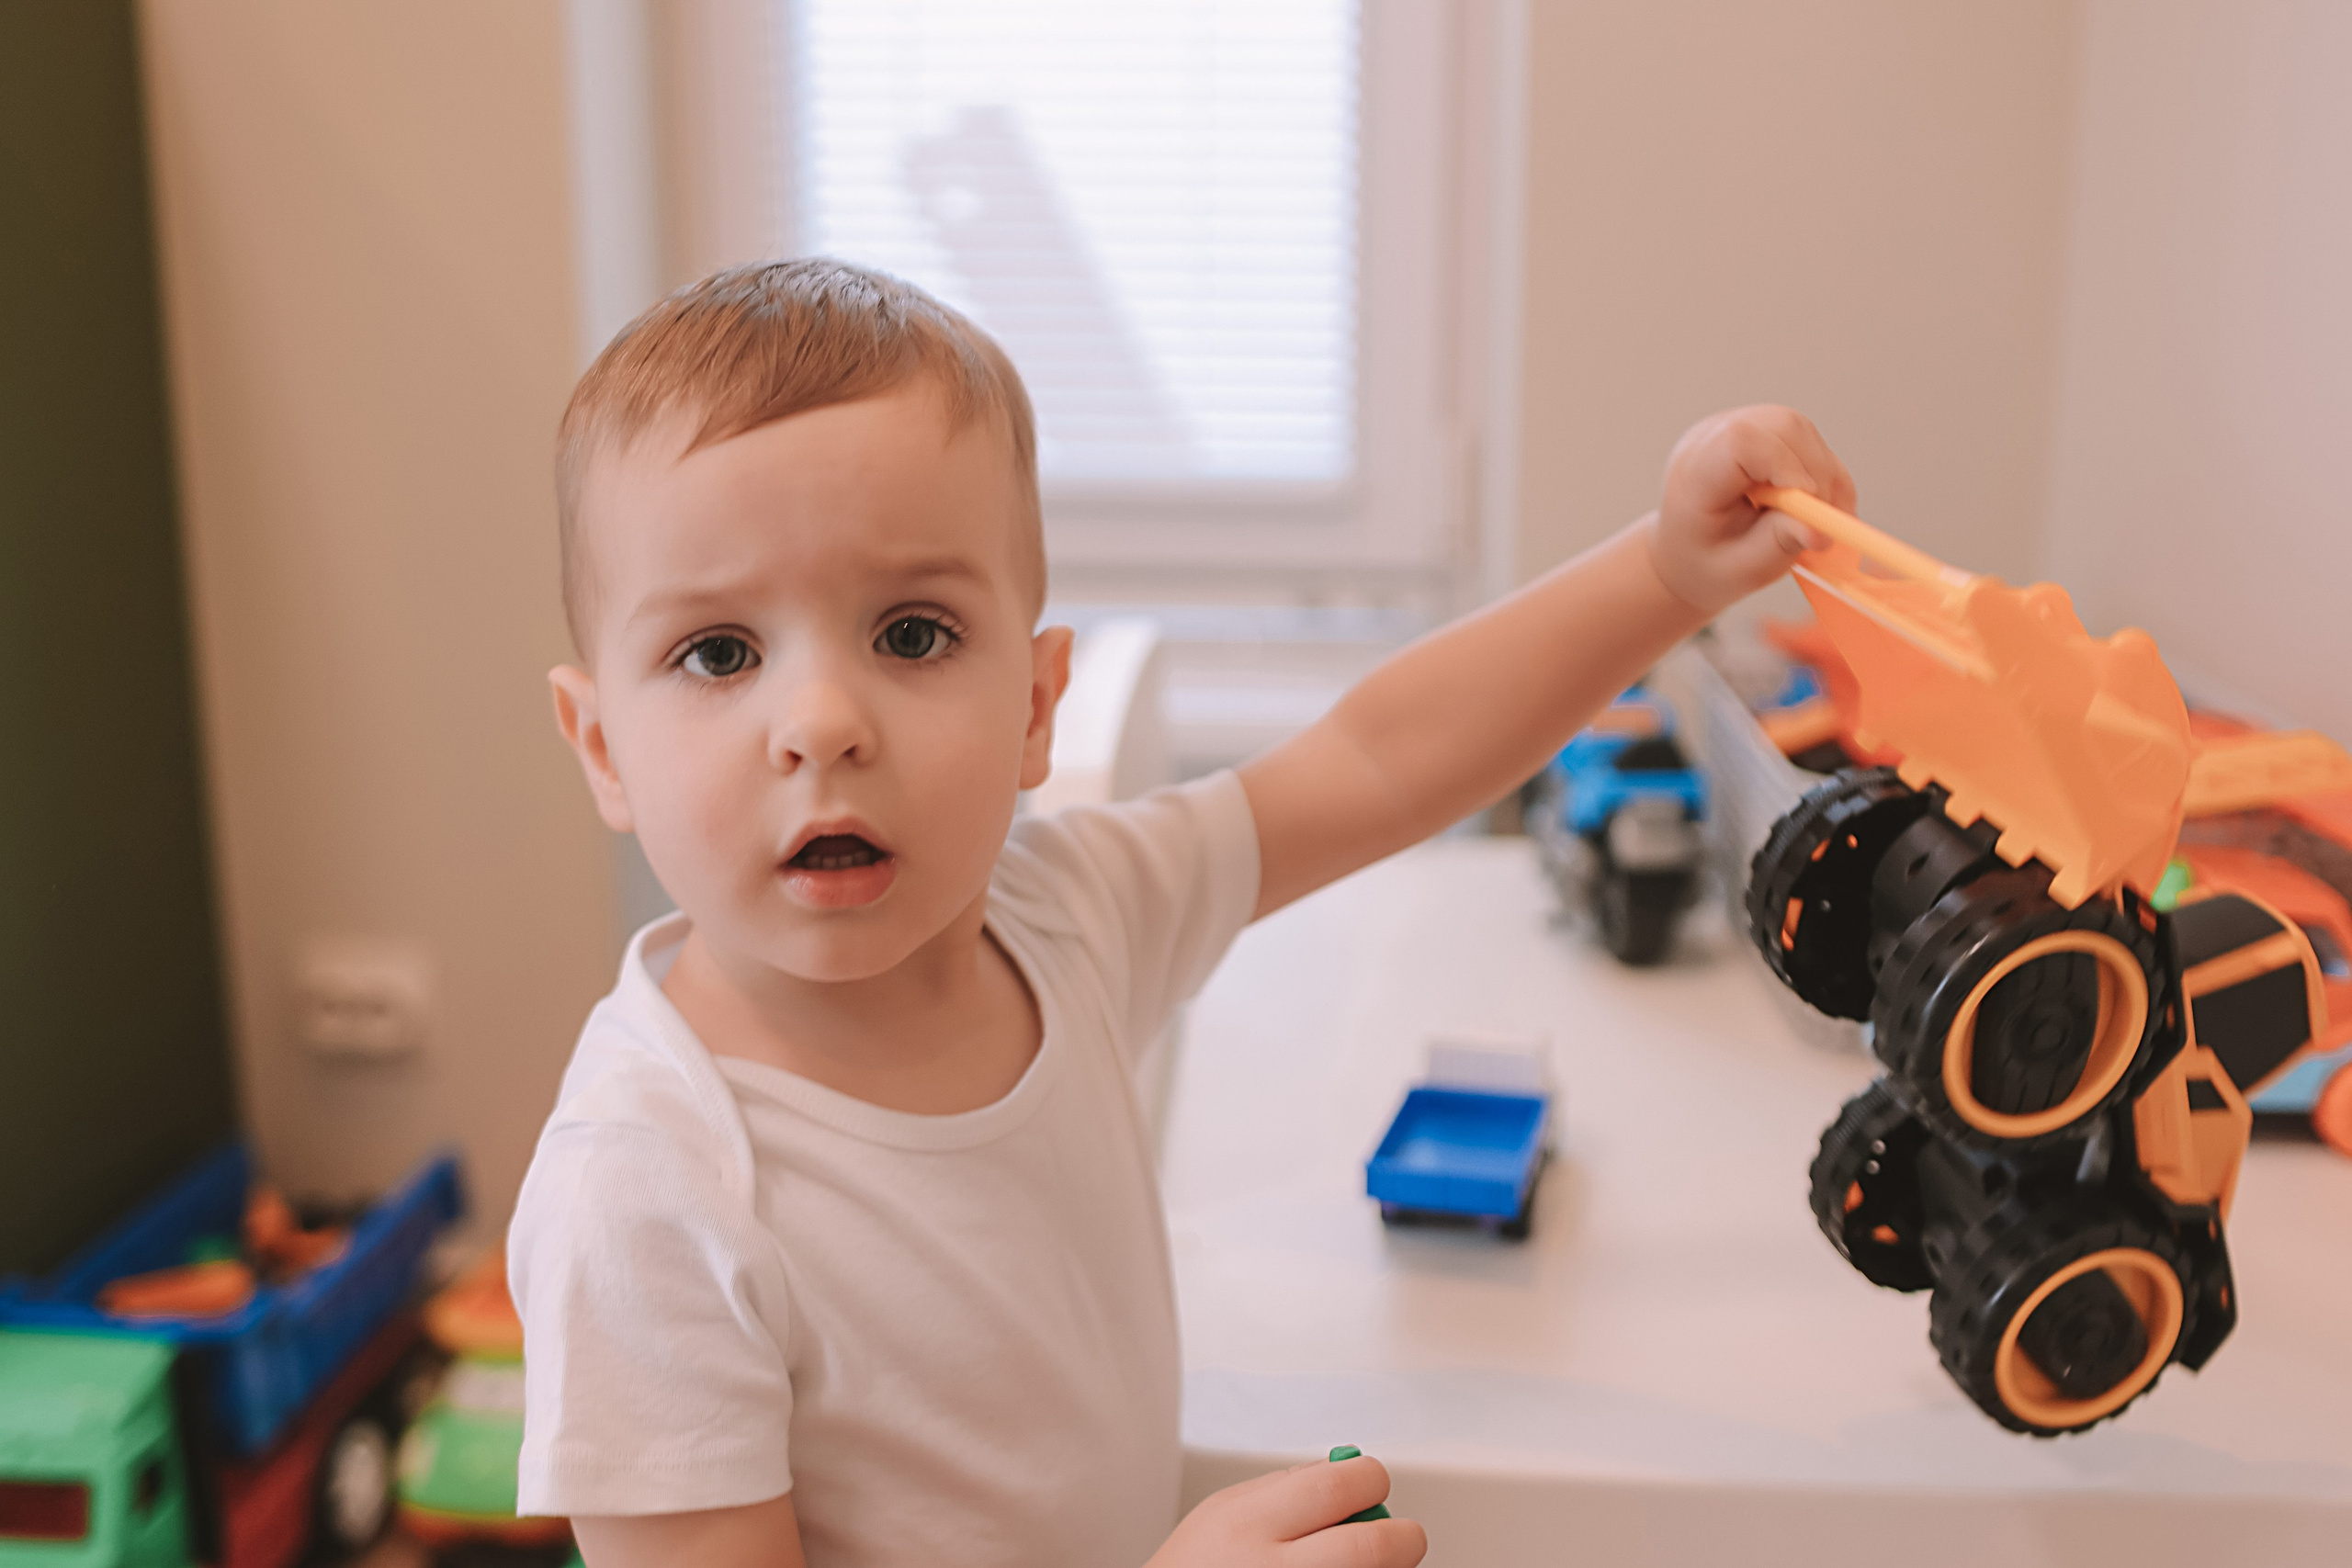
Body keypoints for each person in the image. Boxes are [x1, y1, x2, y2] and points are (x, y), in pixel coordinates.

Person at [511, 258, 1851, 1568]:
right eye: (718, 653)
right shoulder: (647, 1199)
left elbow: (1376, 761)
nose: (820, 724)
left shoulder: (1061, 922)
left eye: (911, 633)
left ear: (1037, 706)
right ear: (603, 747)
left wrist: (1670, 572)